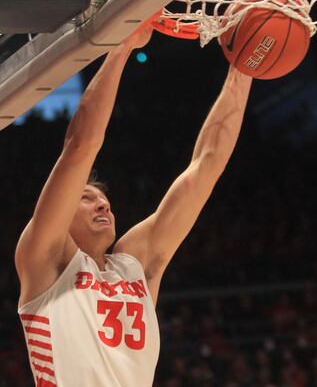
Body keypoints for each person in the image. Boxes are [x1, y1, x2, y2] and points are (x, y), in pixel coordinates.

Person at [15, 23, 253, 386]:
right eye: (87, 197)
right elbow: (81, 145)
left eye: (104, 200)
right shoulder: (45, 258)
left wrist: (244, 67)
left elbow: (206, 165)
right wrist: (122, 45)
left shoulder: (133, 265)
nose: (102, 205)